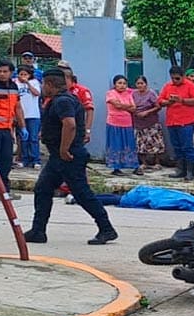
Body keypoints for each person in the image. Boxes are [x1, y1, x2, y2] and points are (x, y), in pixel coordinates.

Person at [23, 68, 118, 245]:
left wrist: (64, 149)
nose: (42, 87)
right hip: (58, 156)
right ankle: (38, 231)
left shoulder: (63, 101)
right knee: (43, 189)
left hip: (68, 155)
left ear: (50, 84)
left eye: (44, 84)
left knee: (81, 193)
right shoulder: (61, 99)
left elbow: (70, 124)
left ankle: (106, 229)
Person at [158, 66, 194, 181]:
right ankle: (181, 170)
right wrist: (168, 101)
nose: (175, 81)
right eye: (173, 78)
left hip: (186, 122)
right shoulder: (168, 86)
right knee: (176, 147)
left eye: (177, 78)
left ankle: (190, 172)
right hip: (172, 121)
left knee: (187, 147)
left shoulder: (190, 85)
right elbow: (160, 101)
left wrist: (181, 100)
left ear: (183, 77)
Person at [0, 60, 28, 194]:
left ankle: (4, 188)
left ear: (11, 73)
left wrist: (23, 126)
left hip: (7, 129)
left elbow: (17, 107)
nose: (2, 74)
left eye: (5, 71)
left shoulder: (14, 87)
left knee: (7, 159)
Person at [105, 75, 141, 176]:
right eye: (119, 83)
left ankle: (134, 166)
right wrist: (127, 107)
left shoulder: (128, 94)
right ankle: (116, 168)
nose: (122, 85)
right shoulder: (110, 93)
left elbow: (133, 108)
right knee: (116, 145)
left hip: (127, 123)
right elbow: (117, 105)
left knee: (130, 145)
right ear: (115, 84)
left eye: (124, 83)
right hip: (114, 123)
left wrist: (122, 106)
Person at [132, 76, 165, 171]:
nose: (140, 85)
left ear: (146, 84)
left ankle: (157, 162)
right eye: (138, 83)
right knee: (140, 143)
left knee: (155, 142)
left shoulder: (151, 94)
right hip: (138, 123)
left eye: (142, 83)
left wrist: (147, 112)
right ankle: (143, 163)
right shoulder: (133, 94)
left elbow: (158, 106)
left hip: (151, 122)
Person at [57, 66, 94, 145]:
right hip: (58, 130)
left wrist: (87, 130)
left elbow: (89, 111)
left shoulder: (82, 90)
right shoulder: (56, 91)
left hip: (77, 131)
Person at [15, 64, 42, 169]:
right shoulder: (15, 83)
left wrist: (27, 83)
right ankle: (24, 159)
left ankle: (36, 160)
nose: (23, 76)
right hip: (21, 115)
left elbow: (37, 93)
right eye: (21, 74)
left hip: (33, 114)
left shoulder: (34, 82)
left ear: (29, 75)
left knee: (33, 138)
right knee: (23, 138)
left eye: (25, 74)